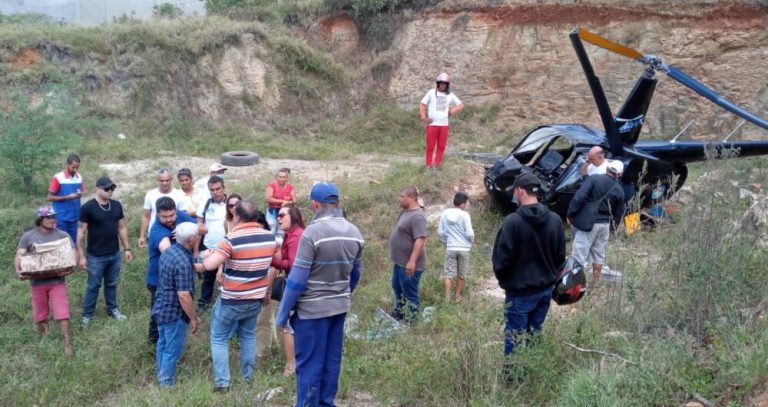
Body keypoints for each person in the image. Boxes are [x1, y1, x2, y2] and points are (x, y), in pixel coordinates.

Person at [276, 182, 364, 407]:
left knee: (309, 365)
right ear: (338, 203)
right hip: (339, 308)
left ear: (314, 204)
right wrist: (342, 295)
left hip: (311, 312)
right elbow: (355, 274)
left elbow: (297, 280)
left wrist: (283, 312)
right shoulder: (355, 232)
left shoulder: (312, 234)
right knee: (330, 362)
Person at [201, 200, 277, 392]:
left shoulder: (231, 239)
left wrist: (206, 255)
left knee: (219, 337)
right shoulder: (270, 237)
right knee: (248, 336)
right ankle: (247, 378)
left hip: (232, 299)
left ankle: (222, 383)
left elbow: (210, 265)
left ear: (237, 217)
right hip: (255, 298)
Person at [492, 174, 565, 372]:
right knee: (534, 332)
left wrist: (506, 282)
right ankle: (532, 371)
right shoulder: (555, 220)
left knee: (514, 337)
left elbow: (500, 260)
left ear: (521, 191)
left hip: (519, 293)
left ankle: (512, 378)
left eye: (514, 191)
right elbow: (561, 257)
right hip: (545, 290)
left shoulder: (512, 222)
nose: (513, 196)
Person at [14, 206, 76, 354]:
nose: (52, 220)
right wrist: (18, 271)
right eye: (48, 217)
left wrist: (72, 266)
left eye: (53, 217)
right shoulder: (28, 236)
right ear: (40, 219)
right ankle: (45, 341)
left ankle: (67, 344)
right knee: (40, 315)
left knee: (63, 313)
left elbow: (73, 252)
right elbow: (19, 255)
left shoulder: (62, 234)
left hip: (57, 281)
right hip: (37, 283)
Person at [77, 176, 133, 325]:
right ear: (98, 189)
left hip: (114, 254)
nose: (110, 191)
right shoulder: (87, 207)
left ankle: (112, 309)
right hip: (95, 256)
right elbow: (80, 233)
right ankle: (87, 315)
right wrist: (81, 256)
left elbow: (121, 227)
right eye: (107, 188)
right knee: (93, 286)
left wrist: (127, 248)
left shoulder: (116, 205)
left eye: (112, 188)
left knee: (111, 283)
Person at [152, 222, 201, 387]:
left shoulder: (169, 251)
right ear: (191, 239)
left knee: (162, 344)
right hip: (174, 312)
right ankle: (166, 384)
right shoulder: (182, 262)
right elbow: (184, 295)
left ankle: (161, 375)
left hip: (161, 307)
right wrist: (193, 318)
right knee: (172, 350)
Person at [146, 197, 198, 344]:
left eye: (172, 215)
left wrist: (184, 232)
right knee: (159, 316)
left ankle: (167, 343)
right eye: (165, 217)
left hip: (177, 278)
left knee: (176, 313)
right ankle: (154, 345)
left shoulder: (179, 216)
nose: (170, 219)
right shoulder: (157, 232)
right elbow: (172, 256)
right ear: (157, 215)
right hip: (159, 281)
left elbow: (200, 228)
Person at [567, 160, 626, 286]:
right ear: (620, 174)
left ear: (607, 169)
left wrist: (571, 214)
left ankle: (576, 285)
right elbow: (618, 214)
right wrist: (611, 229)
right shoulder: (620, 190)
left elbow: (579, 197)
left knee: (579, 255)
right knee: (599, 255)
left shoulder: (594, 179)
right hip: (604, 225)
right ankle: (596, 283)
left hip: (589, 224)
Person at [271, 204, 305, 376]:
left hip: (295, 286)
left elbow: (293, 265)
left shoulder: (295, 237)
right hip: (298, 285)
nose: (279, 218)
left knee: (287, 325)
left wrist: (274, 260)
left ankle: (290, 366)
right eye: (278, 215)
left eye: (283, 215)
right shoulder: (292, 234)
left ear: (294, 216)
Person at [389, 186, 427, 324]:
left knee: (409, 292)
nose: (399, 199)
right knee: (397, 287)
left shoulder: (417, 216)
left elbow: (420, 240)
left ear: (411, 198)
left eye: (402, 196)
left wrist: (412, 261)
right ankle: (399, 314)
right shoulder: (406, 212)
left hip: (410, 264)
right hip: (399, 262)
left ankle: (411, 321)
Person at [196, 175, 228, 313]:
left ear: (223, 187)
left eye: (218, 188)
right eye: (212, 189)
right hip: (209, 247)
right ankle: (203, 302)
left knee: (227, 277)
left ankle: (226, 303)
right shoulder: (205, 204)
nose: (215, 192)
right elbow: (200, 227)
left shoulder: (232, 203)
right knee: (208, 277)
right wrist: (196, 250)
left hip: (227, 248)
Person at [419, 72, 464, 169]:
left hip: (444, 125)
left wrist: (452, 111)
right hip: (432, 125)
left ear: (447, 85)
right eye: (441, 83)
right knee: (430, 146)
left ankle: (437, 165)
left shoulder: (450, 95)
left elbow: (460, 105)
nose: (443, 85)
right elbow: (422, 104)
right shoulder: (431, 92)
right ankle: (428, 165)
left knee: (441, 146)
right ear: (438, 83)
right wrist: (423, 117)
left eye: (445, 83)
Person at [438, 192, 474, 303]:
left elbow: (441, 232)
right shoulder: (465, 215)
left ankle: (447, 298)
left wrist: (447, 241)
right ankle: (457, 296)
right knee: (461, 273)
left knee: (448, 273)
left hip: (451, 247)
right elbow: (469, 233)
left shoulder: (445, 213)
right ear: (463, 203)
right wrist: (472, 241)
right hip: (464, 249)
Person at [138, 168, 184, 249]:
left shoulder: (179, 195)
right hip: (155, 234)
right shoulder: (150, 195)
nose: (165, 183)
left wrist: (181, 230)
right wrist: (142, 236)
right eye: (162, 181)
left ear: (171, 179)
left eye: (167, 180)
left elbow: (183, 215)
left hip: (174, 235)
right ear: (157, 180)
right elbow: (146, 216)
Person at [47, 154, 83, 244]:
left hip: (75, 217)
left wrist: (79, 195)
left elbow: (80, 193)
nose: (75, 170)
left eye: (77, 168)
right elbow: (49, 197)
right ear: (68, 165)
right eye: (73, 167)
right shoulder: (58, 178)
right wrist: (67, 197)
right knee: (62, 243)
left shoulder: (79, 177)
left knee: (73, 244)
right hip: (62, 217)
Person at [265, 168, 296, 233]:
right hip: (272, 211)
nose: (281, 179)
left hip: (284, 212)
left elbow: (294, 200)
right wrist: (282, 201)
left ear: (287, 178)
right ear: (277, 177)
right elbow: (268, 198)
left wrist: (288, 203)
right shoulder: (272, 185)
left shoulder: (290, 187)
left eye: (284, 177)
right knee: (271, 230)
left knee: (281, 231)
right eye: (280, 177)